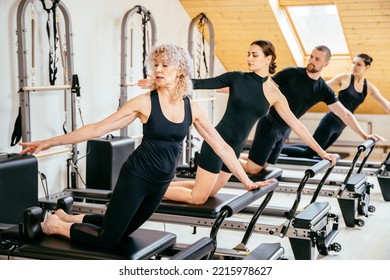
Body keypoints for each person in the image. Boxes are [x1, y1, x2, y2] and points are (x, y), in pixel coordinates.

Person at [18, 44, 270, 249]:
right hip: (136, 177)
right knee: (108, 239)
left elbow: (222, 147)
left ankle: (67, 217)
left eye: (165, 65)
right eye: (155, 65)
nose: (158, 70)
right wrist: (48, 142)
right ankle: (53, 225)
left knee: (123, 230)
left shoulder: (190, 107)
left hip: (161, 183)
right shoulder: (145, 103)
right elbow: (96, 128)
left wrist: (246, 182)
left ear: (181, 70)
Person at [140, 40, 336, 205]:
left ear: (268, 59)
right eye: (248, 54)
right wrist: (159, 81)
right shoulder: (236, 78)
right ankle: (148, 190)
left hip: (235, 149)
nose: (249, 58)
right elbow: (196, 83)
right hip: (218, 142)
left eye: (255, 55)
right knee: (198, 197)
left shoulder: (274, 93)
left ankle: (157, 187)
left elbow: (297, 126)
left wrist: (322, 153)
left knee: (210, 192)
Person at [240, 46, 386, 175]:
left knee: (264, 165)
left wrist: (365, 135)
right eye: (311, 56)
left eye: (317, 59)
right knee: (253, 169)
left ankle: (231, 155)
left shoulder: (323, 89)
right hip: (271, 124)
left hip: (286, 129)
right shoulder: (291, 72)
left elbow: (346, 114)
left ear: (325, 64)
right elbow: (264, 87)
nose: (311, 61)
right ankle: (221, 157)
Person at [280, 53, 390, 158]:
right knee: (309, 153)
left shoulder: (369, 87)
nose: (354, 66)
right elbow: (320, 88)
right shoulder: (344, 78)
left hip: (341, 125)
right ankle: (276, 148)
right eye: (354, 63)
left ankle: (278, 147)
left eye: (359, 64)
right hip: (330, 121)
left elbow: (386, 105)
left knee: (317, 151)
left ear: (367, 67)